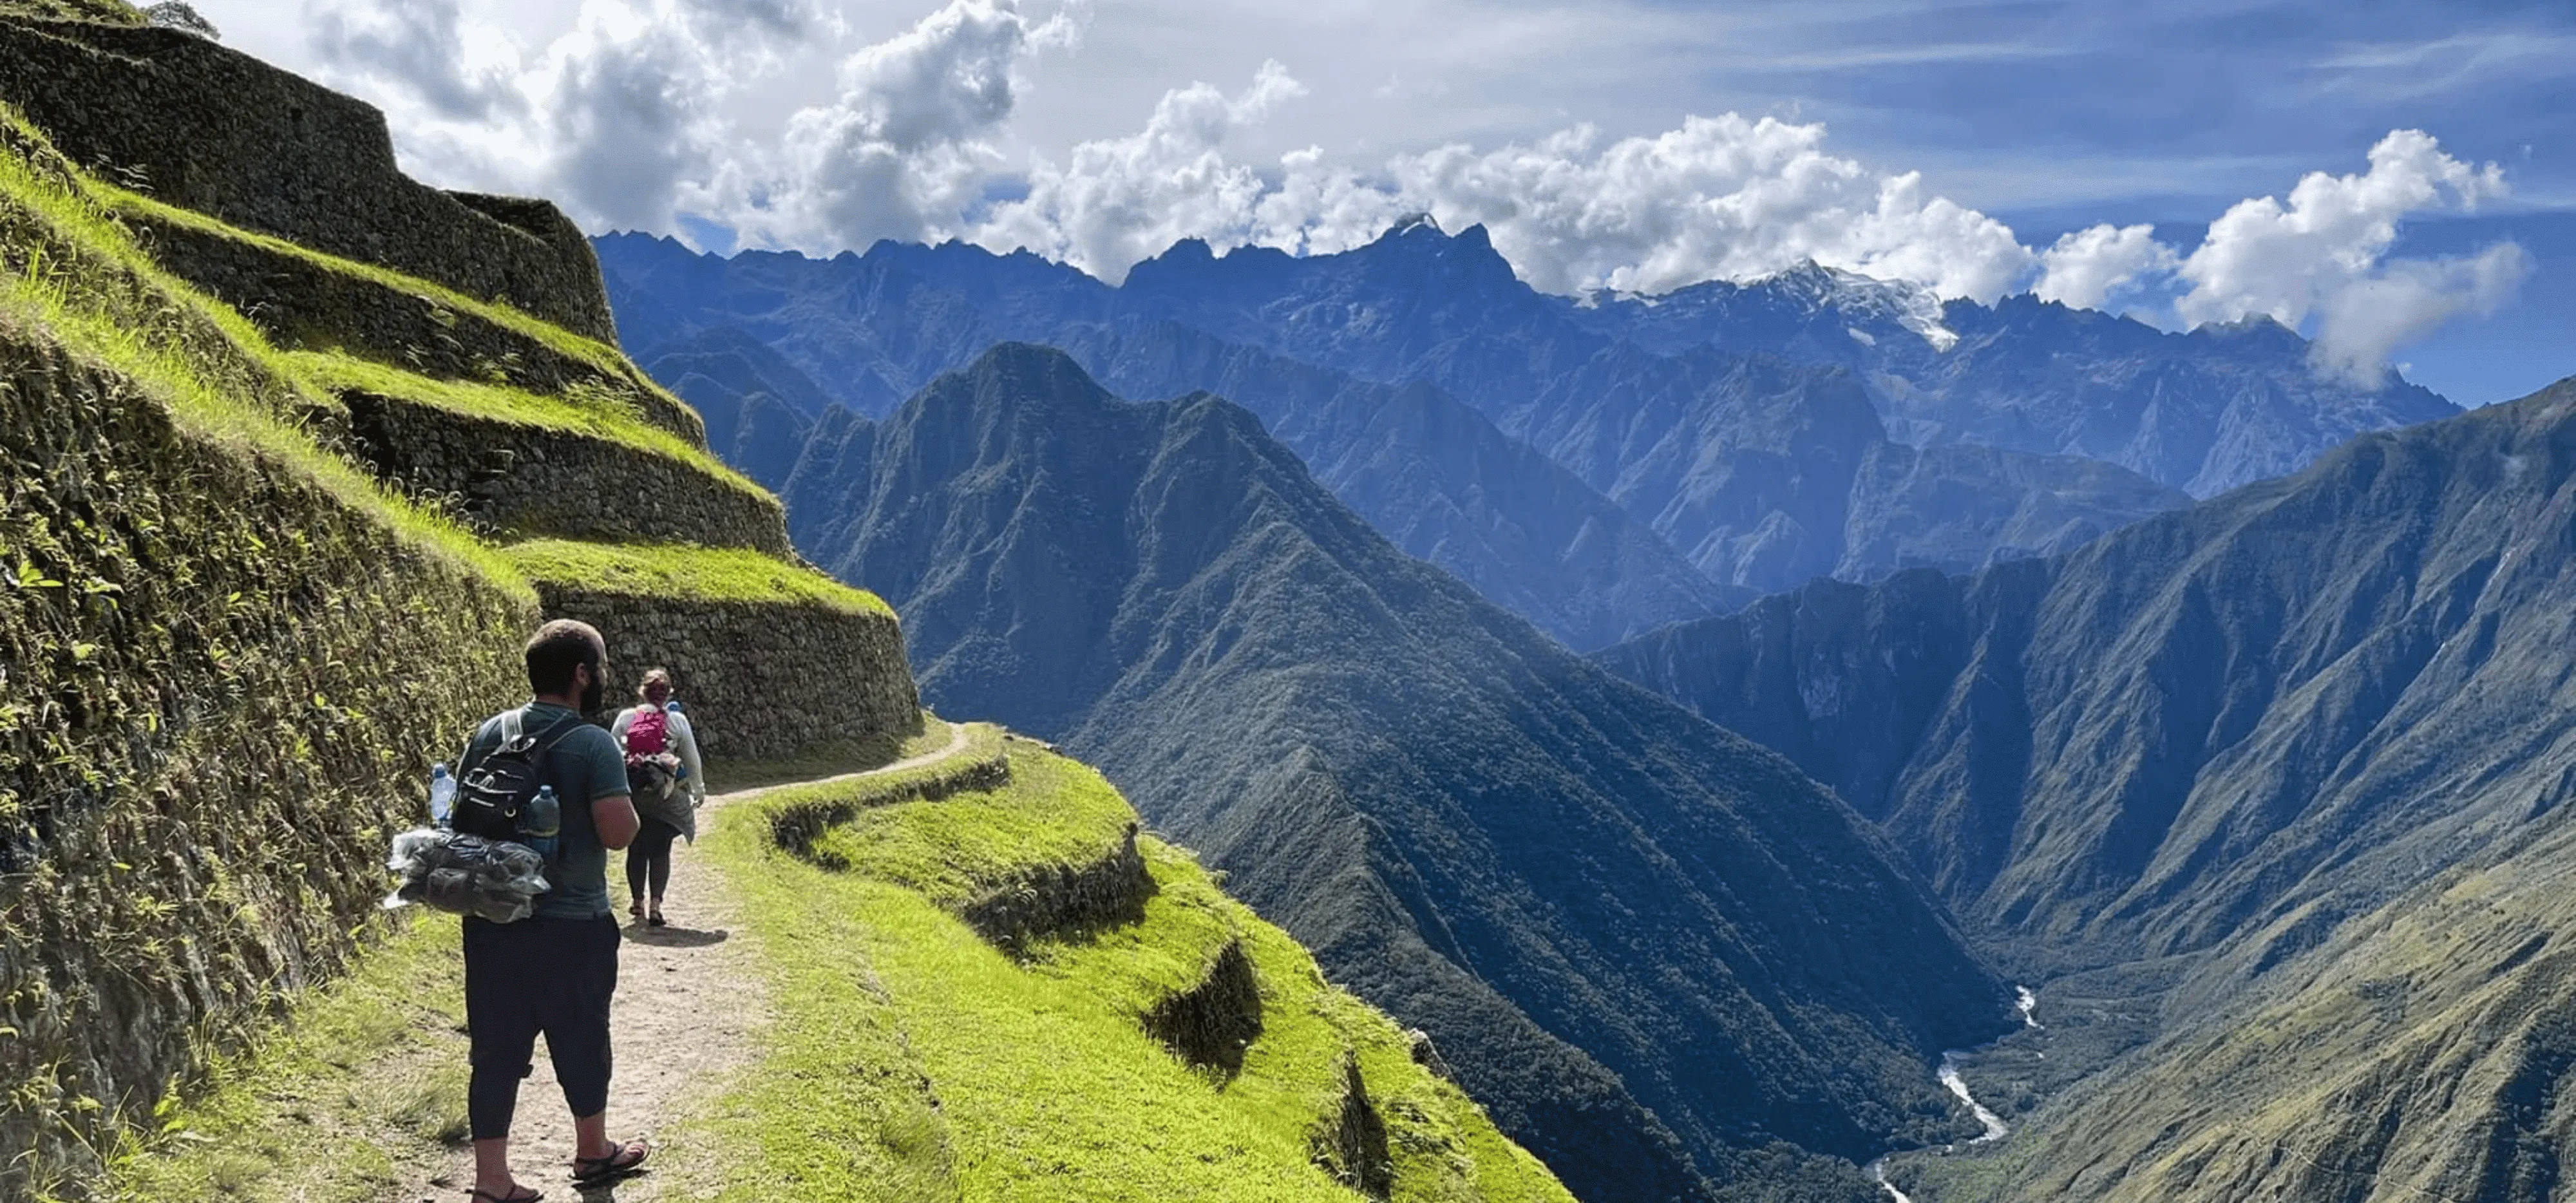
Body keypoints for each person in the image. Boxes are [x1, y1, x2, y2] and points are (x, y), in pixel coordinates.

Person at [455, 620, 651, 1202]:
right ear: (581, 674)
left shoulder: (489, 732)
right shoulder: (592, 743)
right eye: (602, 667)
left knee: (495, 1051)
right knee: (583, 1039)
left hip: (493, 920)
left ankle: (492, 1181)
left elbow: (458, 818)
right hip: (574, 923)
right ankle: (593, 1152)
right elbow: (618, 834)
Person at [611, 668, 705, 926]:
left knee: (637, 846)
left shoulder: (626, 718)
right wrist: (698, 789)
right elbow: (691, 757)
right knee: (661, 849)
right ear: (667, 694)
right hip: (664, 794)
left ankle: (637, 901)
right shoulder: (677, 721)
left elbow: (612, 754)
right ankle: (656, 906)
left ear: (642, 691)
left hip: (634, 794)